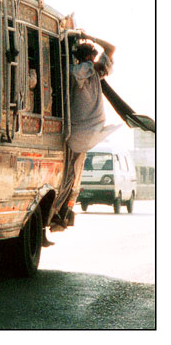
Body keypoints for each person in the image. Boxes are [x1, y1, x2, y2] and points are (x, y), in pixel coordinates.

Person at [51, 33, 118, 234]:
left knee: (70, 176)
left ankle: (60, 214)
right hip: (82, 132)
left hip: (83, 131)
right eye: (92, 55)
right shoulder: (79, 71)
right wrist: (92, 47)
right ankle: (59, 214)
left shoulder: (92, 72)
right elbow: (101, 58)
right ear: (88, 56)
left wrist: (90, 38)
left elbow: (111, 49)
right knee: (69, 176)